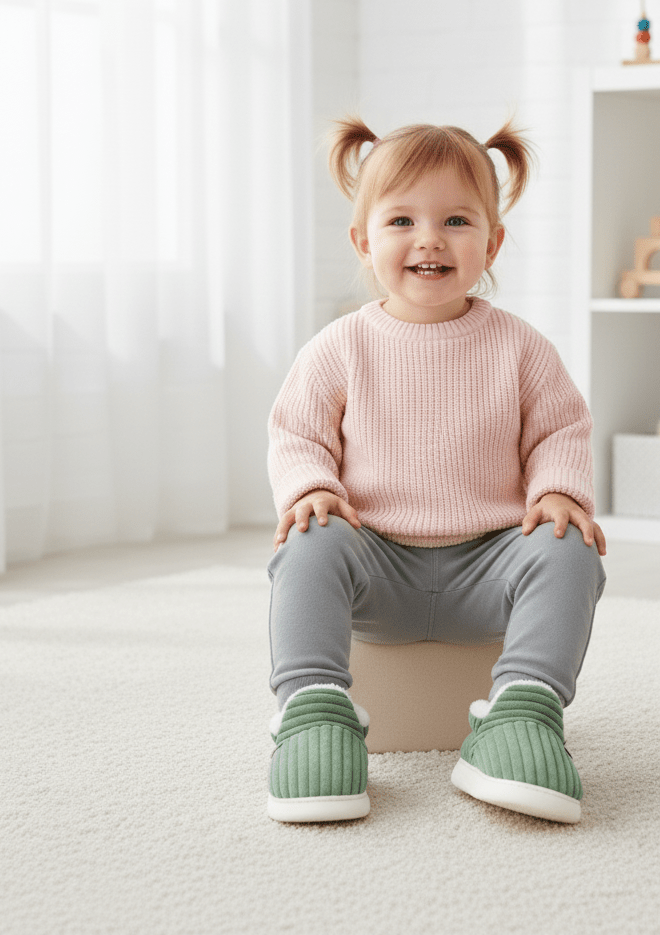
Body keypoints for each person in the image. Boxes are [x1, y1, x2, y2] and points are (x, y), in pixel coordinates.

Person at [265, 116, 606, 825]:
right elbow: (297, 433)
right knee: (308, 541)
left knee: (569, 548)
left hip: (490, 565)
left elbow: (561, 429)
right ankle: (312, 712)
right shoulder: (340, 346)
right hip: (374, 563)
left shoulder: (520, 347)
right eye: (401, 220)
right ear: (364, 242)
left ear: (492, 242)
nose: (429, 238)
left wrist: (557, 492)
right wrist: (314, 489)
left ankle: (523, 712)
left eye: (456, 219)